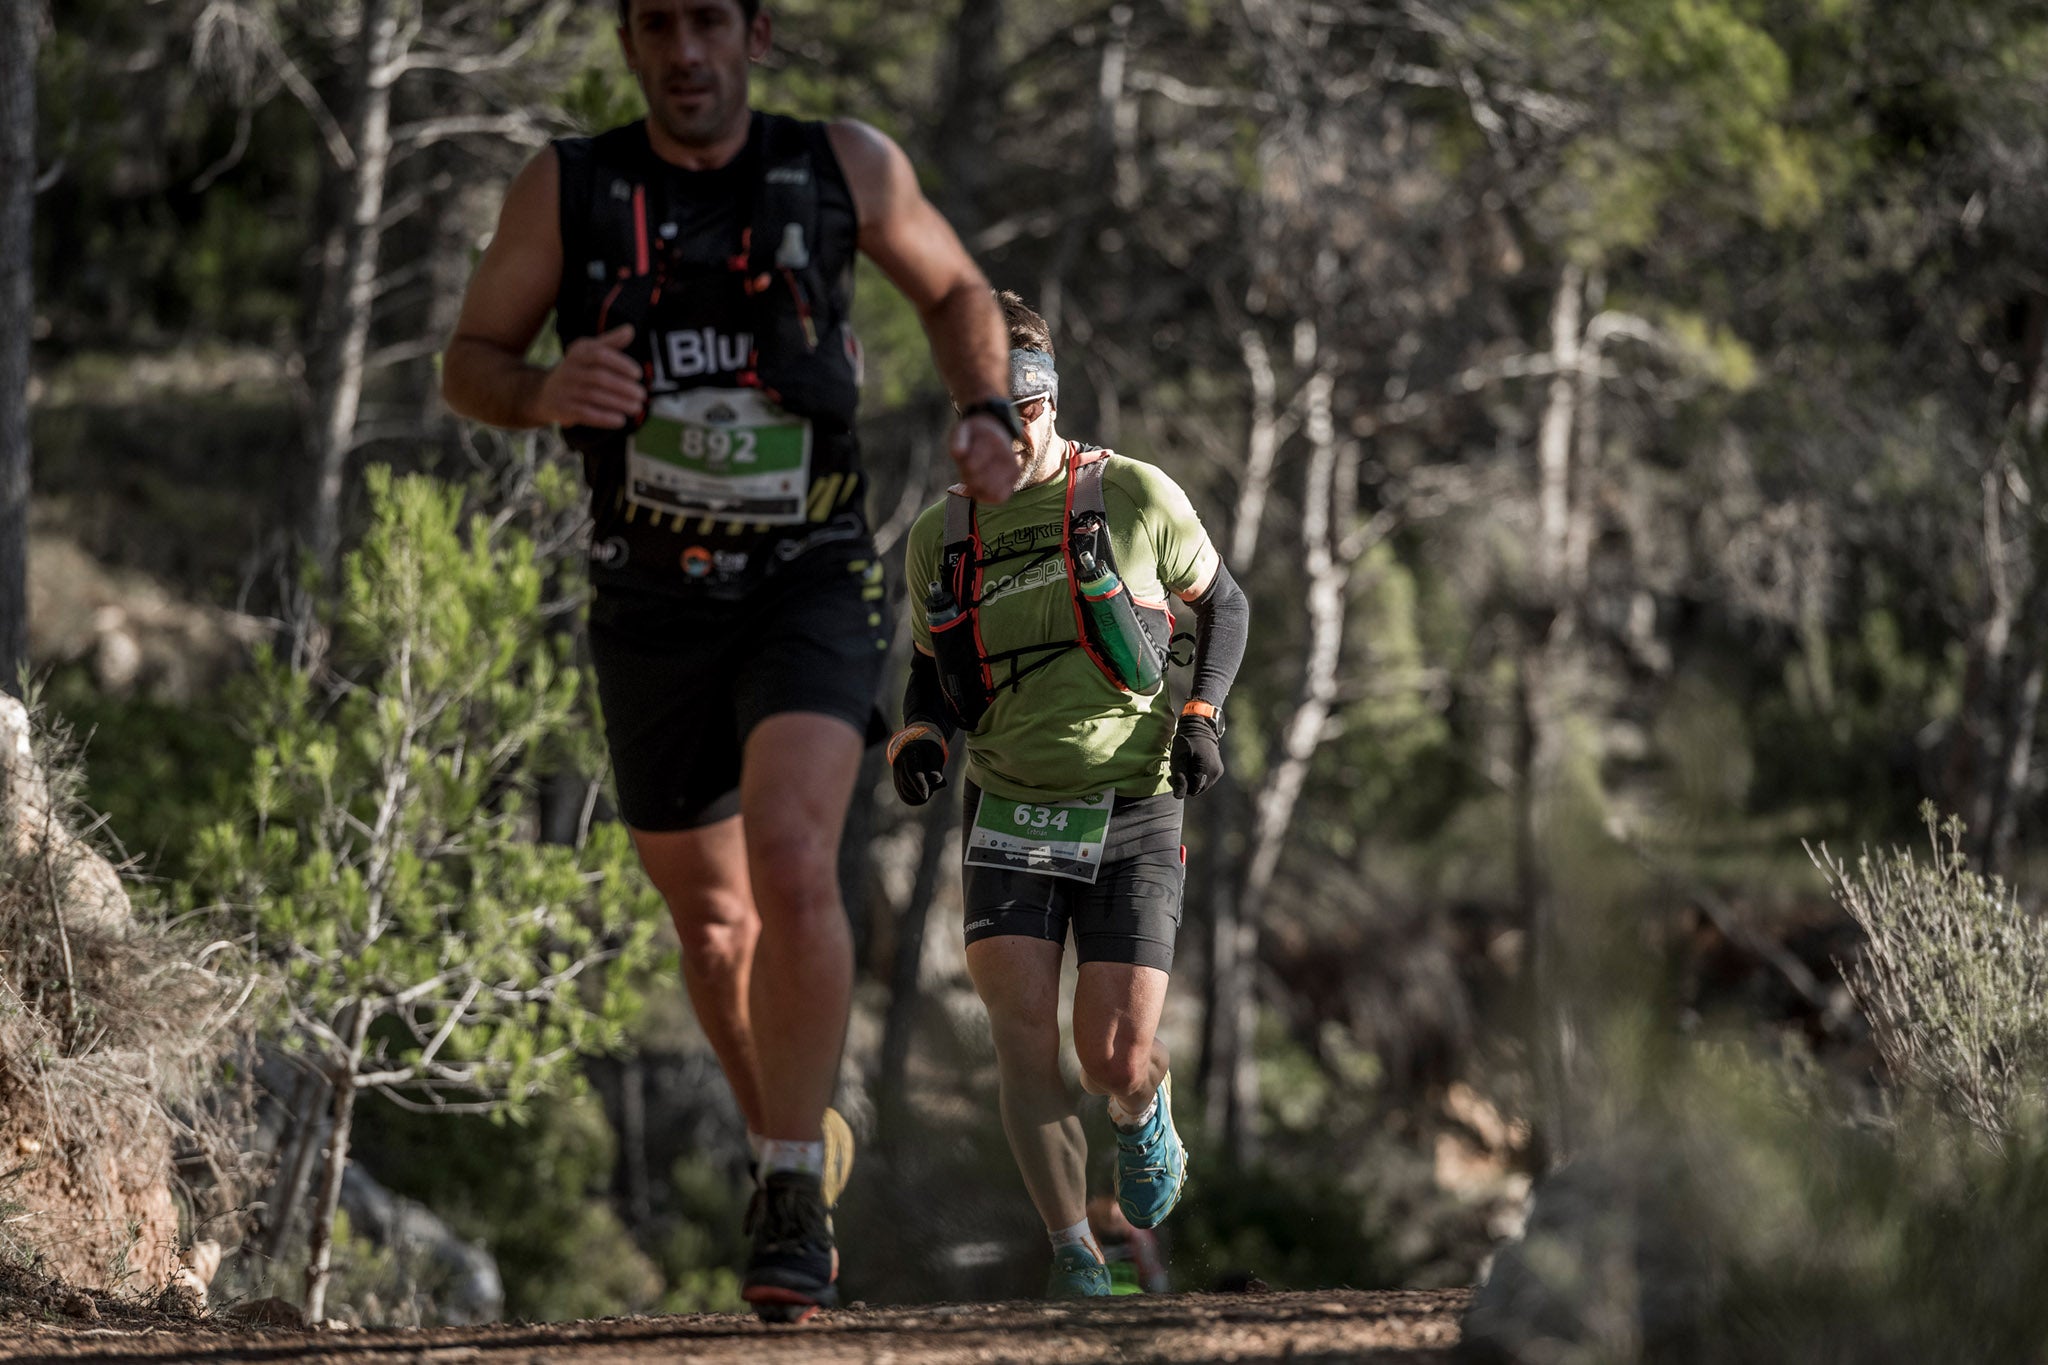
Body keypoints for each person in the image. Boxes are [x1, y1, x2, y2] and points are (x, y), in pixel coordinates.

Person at [440, 0, 1024, 1323]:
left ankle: (786, 1191)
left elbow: (954, 287)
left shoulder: (842, 169)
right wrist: (540, 391)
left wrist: (984, 410)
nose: (684, 53)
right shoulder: (573, 189)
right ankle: (799, 1135)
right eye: (658, 26)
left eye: (710, 21)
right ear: (631, 42)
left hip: (807, 580)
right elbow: (467, 361)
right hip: (648, 601)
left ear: (756, 35)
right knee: (713, 934)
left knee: (794, 856)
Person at [888, 291, 1250, 1298]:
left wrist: (1203, 716)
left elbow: (1223, 604)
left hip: (1130, 798)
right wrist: (920, 736)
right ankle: (1073, 1256)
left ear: (1051, 402)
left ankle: (1142, 1108)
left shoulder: (1130, 495)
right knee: (1019, 1039)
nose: (1015, 436)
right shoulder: (939, 537)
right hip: (1005, 806)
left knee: (1109, 1054)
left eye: (1030, 410)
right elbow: (930, 667)